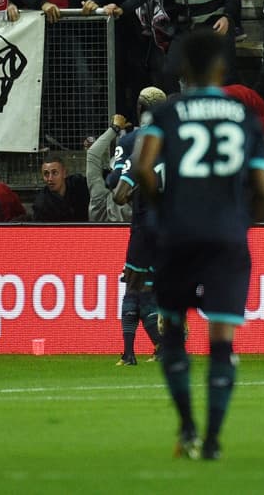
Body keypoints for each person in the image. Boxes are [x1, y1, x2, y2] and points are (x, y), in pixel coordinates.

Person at [133, 28, 264, 460]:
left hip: (177, 235)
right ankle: (213, 439)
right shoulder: (241, 114)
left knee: (172, 330)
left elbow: (142, 168)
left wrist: (161, 212)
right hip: (226, 238)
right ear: (219, 68)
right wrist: (245, 223)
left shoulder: (168, 112)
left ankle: (188, 429)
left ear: (183, 69)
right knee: (222, 340)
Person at [105, 86, 169, 364]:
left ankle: (132, 351)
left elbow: (114, 187)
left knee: (134, 286)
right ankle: (161, 345)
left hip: (144, 226)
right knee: (152, 288)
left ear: (140, 110)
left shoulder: (134, 142)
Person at [32, 154, 91, 221]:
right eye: (46, 174)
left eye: (55, 173)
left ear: (64, 173)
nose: (50, 178)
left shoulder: (79, 184)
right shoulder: (41, 204)